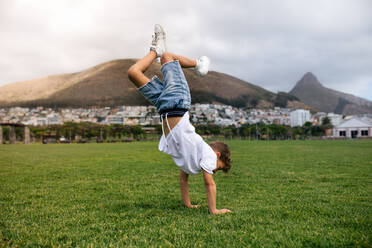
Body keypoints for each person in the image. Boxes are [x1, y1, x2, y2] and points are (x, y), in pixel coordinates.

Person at [127, 24, 232, 214]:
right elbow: (209, 185)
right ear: (217, 156)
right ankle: (198, 65)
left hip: (163, 105)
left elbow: (183, 181)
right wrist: (214, 210)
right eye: (217, 169)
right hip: (177, 102)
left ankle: (155, 50)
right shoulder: (208, 154)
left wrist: (188, 204)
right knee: (168, 58)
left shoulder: (190, 161)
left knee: (133, 73)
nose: (211, 171)